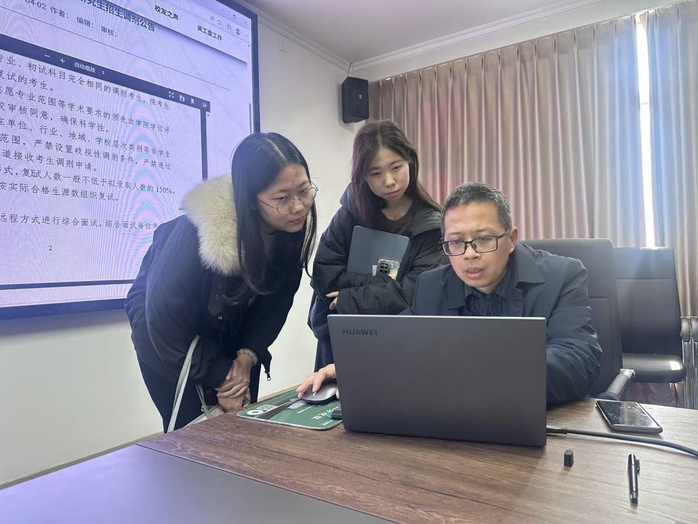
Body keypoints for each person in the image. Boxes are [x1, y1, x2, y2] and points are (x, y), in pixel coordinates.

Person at [125, 132, 317, 431]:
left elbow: (275, 304)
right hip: (171, 346)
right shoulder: (197, 232)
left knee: (242, 425)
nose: (298, 206)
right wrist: (224, 375)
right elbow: (163, 323)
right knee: (195, 438)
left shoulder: (290, 227)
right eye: (282, 198)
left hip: (232, 336)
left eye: (304, 191)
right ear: (250, 200)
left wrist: (246, 356)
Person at [405, 182, 601, 405]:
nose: (469, 254)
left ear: (511, 239)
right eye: (456, 242)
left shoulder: (562, 276)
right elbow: (398, 346)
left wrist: (484, 374)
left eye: (483, 239)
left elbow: (578, 360)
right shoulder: (431, 286)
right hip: (452, 412)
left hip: (533, 411)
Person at [301, 120, 445, 394]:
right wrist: (389, 286)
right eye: (375, 173)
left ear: (410, 161)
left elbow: (418, 293)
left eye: (396, 167)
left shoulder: (432, 225)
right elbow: (324, 276)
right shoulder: (349, 214)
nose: (389, 181)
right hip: (340, 340)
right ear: (362, 175)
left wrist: (350, 299)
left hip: (399, 346)